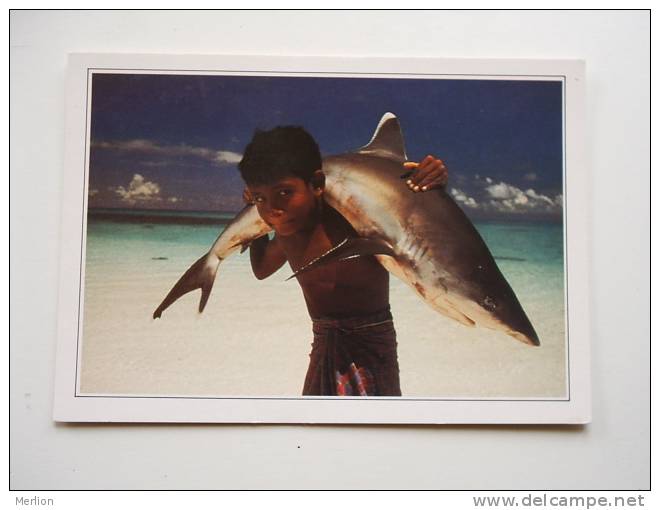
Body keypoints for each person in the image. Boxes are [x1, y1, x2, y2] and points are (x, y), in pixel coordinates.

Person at [237, 126, 448, 396]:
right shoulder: (286, 233)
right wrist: (254, 225)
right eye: (260, 198)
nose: (273, 210)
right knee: (317, 426)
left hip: (370, 339)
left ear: (316, 184)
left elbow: (405, 212)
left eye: (284, 193)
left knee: (374, 427)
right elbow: (262, 269)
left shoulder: (351, 221)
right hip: (323, 340)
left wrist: (428, 181)